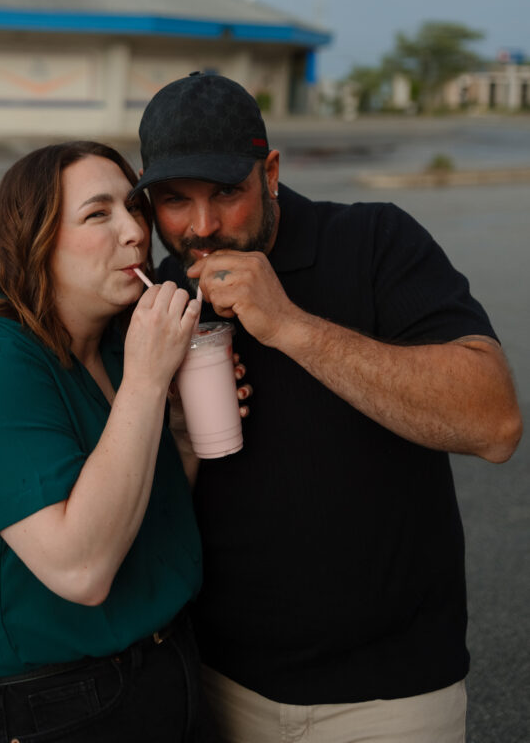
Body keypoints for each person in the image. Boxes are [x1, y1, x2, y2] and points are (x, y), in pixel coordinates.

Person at [132, 72, 522, 743]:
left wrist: (289, 325)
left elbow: (493, 423)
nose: (202, 227)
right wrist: (166, 419)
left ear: (271, 171)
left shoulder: (372, 241)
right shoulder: (162, 291)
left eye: (226, 192)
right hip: (216, 681)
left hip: (387, 697)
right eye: (174, 201)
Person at [0, 140, 220, 743]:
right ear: (35, 239)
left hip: (169, 666)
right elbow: (82, 568)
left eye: (134, 207)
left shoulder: (110, 346)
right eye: (97, 214)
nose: (135, 231)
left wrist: (181, 432)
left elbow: (140, 516)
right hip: (57, 703)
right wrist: (150, 379)